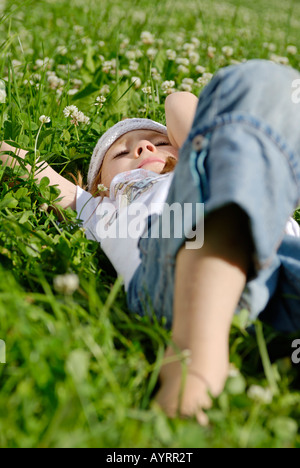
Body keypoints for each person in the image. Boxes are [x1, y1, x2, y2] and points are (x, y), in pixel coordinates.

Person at [1, 59, 300, 425]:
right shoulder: (101, 207)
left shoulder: (207, 161)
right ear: (100, 186)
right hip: (174, 262)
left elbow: (182, 104)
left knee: (272, 88)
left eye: (159, 141)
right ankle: (194, 361)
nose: (142, 148)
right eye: (121, 154)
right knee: (212, 210)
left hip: (277, 260)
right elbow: (26, 165)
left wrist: (187, 137)